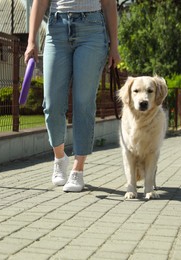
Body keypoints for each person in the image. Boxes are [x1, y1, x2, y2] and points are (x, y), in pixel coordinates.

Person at [24, 0, 121, 192]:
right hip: (56, 29)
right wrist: (31, 41)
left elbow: (109, 4)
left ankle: (78, 169)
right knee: (51, 104)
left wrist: (114, 45)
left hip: (92, 30)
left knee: (83, 102)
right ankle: (60, 157)